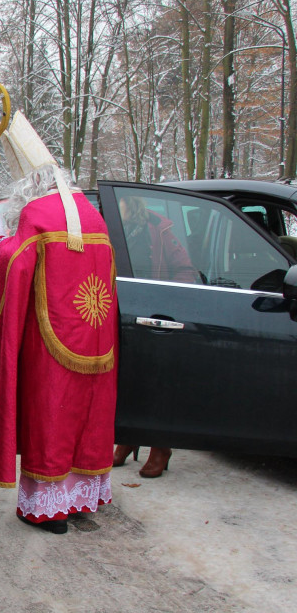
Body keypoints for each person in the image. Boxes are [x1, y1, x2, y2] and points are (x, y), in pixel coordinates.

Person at [0, 112, 118, 534]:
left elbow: (15, 267)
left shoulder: (39, 216)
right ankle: (80, 500)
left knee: (50, 413)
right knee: (86, 417)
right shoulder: (92, 216)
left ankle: (47, 509)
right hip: (96, 339)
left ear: (28, 187)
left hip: (48, 344)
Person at [112, 196, 195, 478]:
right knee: (128, 382)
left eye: (118, 205)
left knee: (157, 385)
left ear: (130, 206)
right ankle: (129, 437)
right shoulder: (113, 233)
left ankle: (161, 446)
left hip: (154, 315)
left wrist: (167, 300)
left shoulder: (158, 230)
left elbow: (186, 271)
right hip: (123, 315)